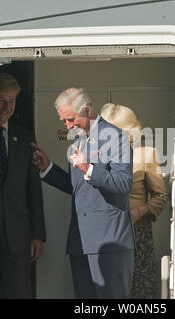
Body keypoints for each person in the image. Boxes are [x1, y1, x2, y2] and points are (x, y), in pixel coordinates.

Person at [30, 87, 135, 299]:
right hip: (81, 241)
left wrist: (89, 169)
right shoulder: (79, 140)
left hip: (109, 242)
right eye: (63, 122)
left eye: (71, 119)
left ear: (87, 111)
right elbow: (78, 189)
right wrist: (48, 168)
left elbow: (123, 184)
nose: (68, 126)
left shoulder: (115, 137)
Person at [0, 73, 46, 299]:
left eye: (12, 101)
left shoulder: (25, 137)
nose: (7, 107)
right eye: (1, 100)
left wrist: (38, 234)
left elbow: (33, 190)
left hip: (19, 237)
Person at [100, 103, 168, 299]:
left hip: (137, 233)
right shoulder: (98, 155)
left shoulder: (146, 154)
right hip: (106, 233)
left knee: (137, 291)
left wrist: (139, 212)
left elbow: (160, 197)